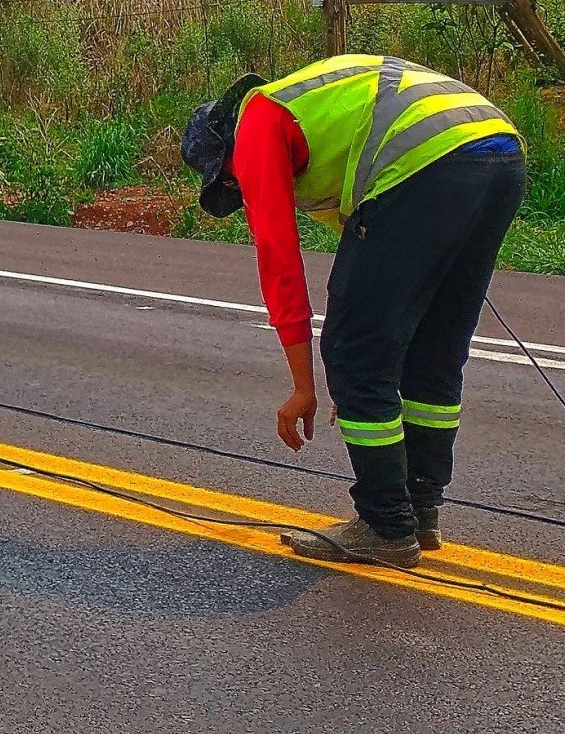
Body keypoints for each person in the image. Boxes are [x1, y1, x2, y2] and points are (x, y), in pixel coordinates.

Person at [183, 54, 525, 568]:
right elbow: (389, 281)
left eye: (232, 184)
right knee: (433, 352)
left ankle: (386, 526)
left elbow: (280, 261)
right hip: (498, 153)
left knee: (353, 350)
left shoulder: (256, 123)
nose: (242, 192)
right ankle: (419, 510)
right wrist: (368, 392)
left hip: (428, 160)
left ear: (224, 156)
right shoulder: (316, 112)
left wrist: (309, 386)